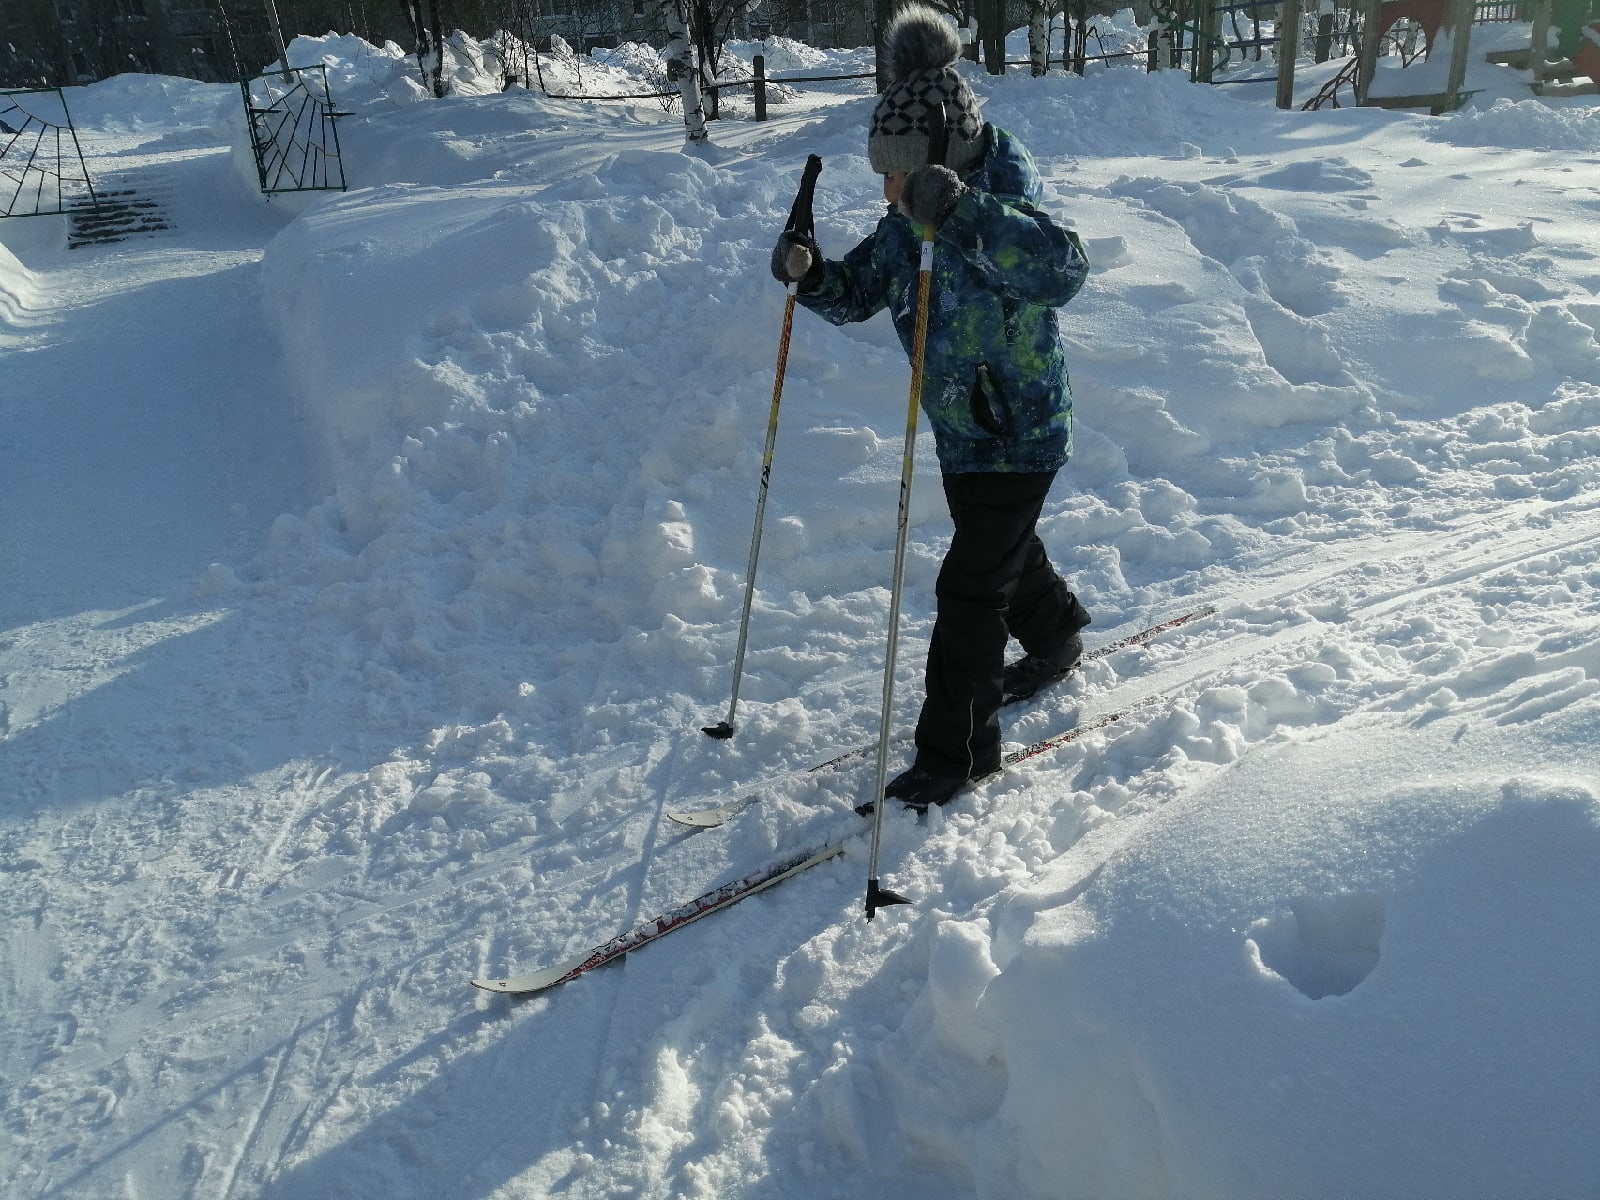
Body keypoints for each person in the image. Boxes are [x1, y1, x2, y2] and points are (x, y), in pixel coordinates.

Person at [769, 3, 1093, 810]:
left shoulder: (1001, 198)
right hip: (961, 431)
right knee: (1002, 553)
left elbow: (1063, 270)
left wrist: (960, 213)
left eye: (897, 174)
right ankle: (1055, 634)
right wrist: (811, 276)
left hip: (1020, 431)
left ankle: (957, 755)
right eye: (883, 174)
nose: (886, 189)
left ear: (939, 161)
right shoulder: (903, 220)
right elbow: (860, 290)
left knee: (970, 591)